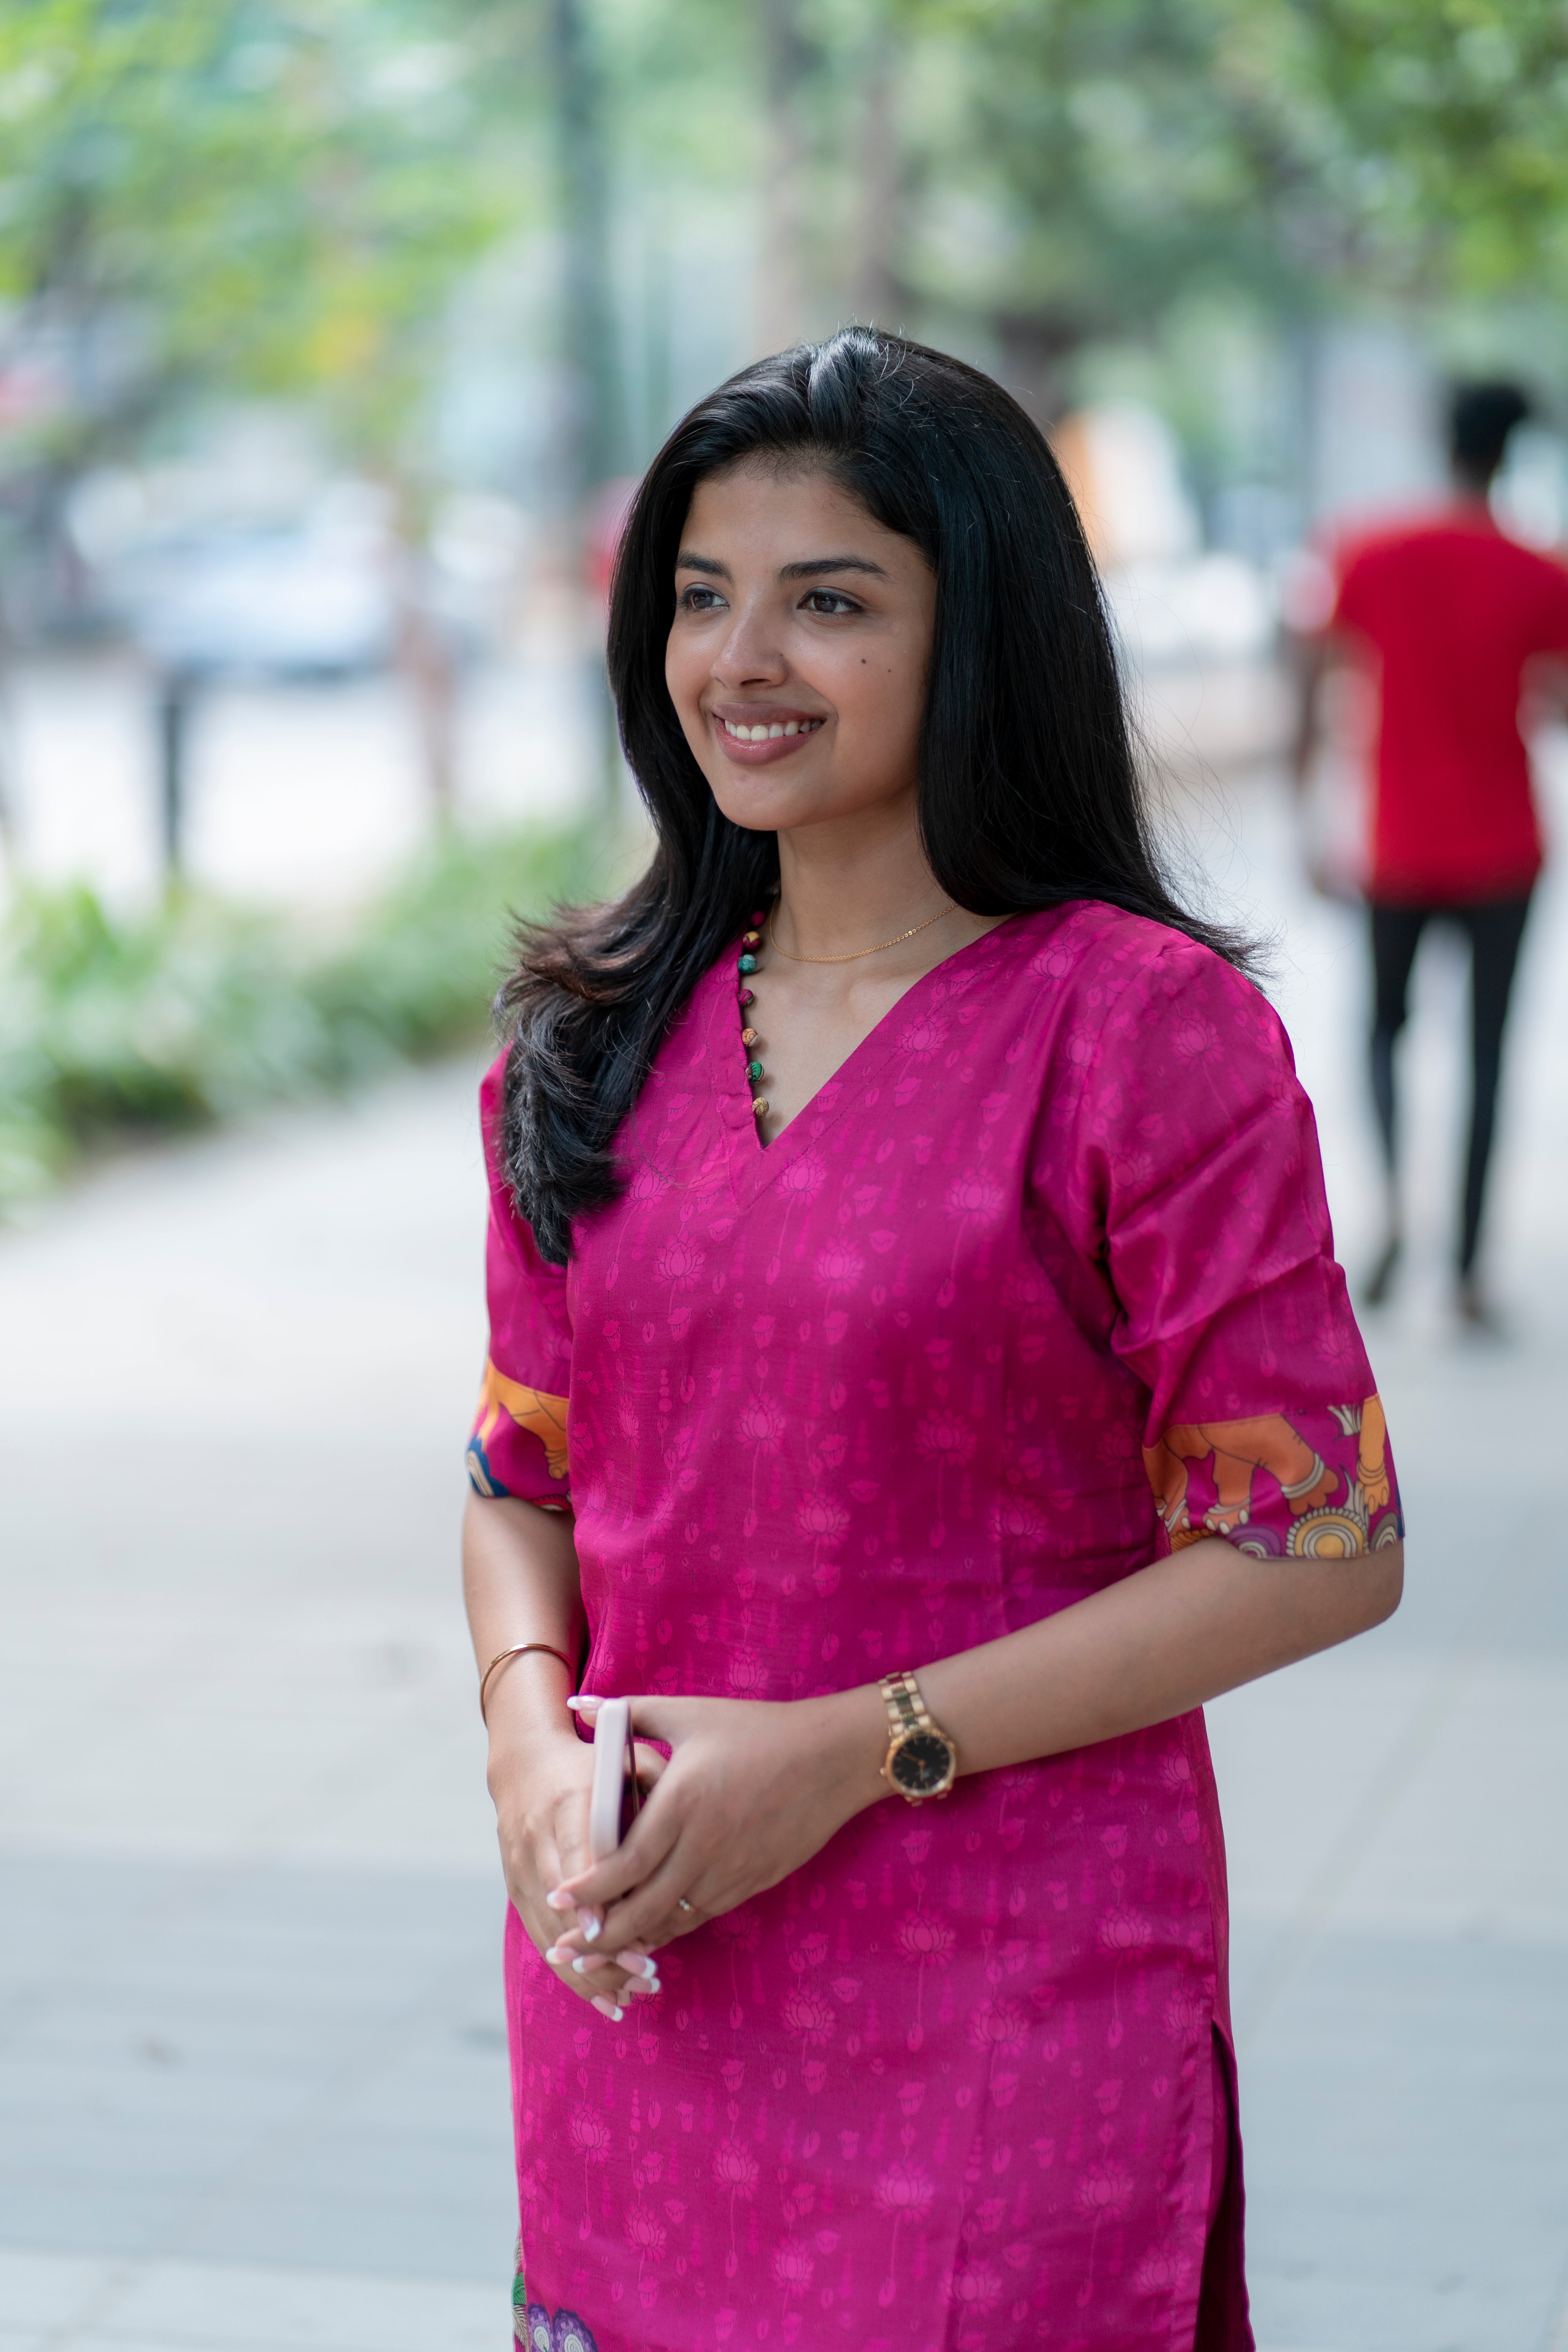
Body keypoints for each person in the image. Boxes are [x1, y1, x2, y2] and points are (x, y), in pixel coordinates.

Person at [462, 329, 1404, 2352]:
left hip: (1008, 2004)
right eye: (701, 598)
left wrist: (858, 1749)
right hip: (646, 1989)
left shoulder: (1142, 1035)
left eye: (830, 602)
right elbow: (517, 1479)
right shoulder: (591, 1044)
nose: (742, 660)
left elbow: (1320, 1540)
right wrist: (527, 1743)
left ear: (982, 635)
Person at [1294, 380, 1568, 1325]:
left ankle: (1395, 1218)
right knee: (1489, 1051)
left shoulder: (1370, 551)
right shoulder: (1540, 568)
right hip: (1504, 846)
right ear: (1510, 451)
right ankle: (1464, 1273)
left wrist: (1306, 811)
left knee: (1381, 1031)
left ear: (1439, 437)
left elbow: (1312, 676)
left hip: (1397, 842)